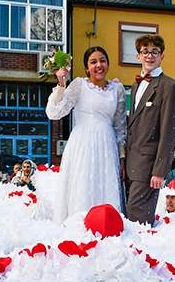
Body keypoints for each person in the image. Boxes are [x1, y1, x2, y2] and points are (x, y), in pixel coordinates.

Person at [46, 45, 127, 222]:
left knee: (105, 188)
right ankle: (78, 230)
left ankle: (106, 230)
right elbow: (54, 112)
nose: (99, 65)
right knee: (82, 186)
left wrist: (122, 158)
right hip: (82, 145)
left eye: (102, 60)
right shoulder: (79, 85)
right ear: (86, 68)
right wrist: (61, 84)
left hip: (107, 146)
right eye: (93, 62)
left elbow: (120, 127)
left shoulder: (117, 89)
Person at [124, 34, 175, 224]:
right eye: (145, 51)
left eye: (155, 52)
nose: (150, 56)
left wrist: (159, 170)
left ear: (162, 56)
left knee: (137, 218)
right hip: (131, 164)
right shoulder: (135, 85)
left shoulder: (169, 86)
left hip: (149, 167)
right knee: (130, 215)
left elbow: (169, 132)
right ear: (138, 56)